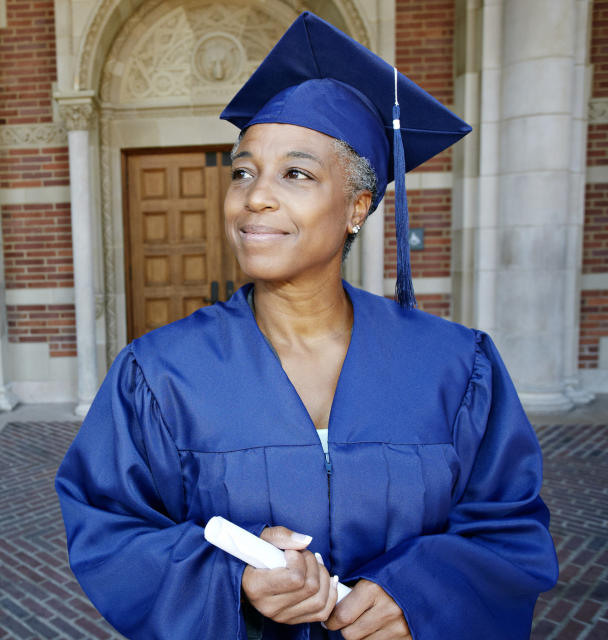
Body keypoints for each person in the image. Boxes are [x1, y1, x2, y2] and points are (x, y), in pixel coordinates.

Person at [55, 11, 558, 640]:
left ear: (357, 207)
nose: (255, 196)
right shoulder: (160, 372)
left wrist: (422, 593)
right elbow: (109, 526)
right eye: (242, 170)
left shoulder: (456, 366)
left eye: (295, 173)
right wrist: (231, 578)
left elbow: (509, 528)